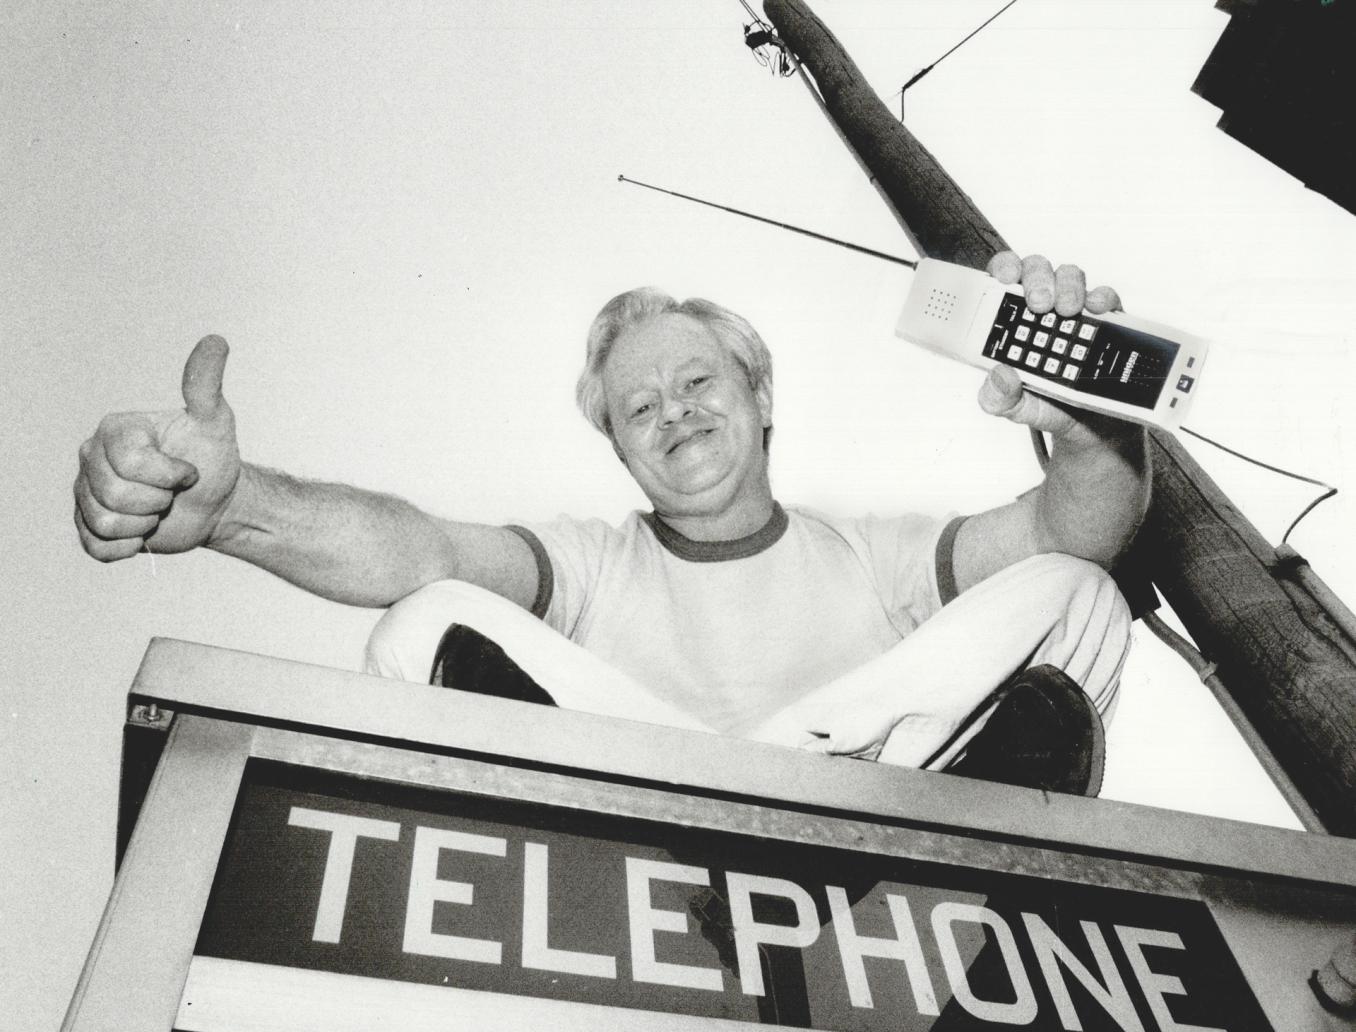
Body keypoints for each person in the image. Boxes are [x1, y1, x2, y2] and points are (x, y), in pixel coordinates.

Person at [74, 252, 1140, 794]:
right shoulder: (596, 560)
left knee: (1081, 596)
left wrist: (1092, 429)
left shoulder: (873, 550)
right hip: (650, 822)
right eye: (639, 407)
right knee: (427, 619)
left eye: (697, 381)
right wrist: (236, 509)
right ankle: (711, 796)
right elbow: (422, 551)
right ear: (621, 448)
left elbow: (1070, 538)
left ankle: (872, 806)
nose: (674, 411)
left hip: (873, 809)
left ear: (761, 397)